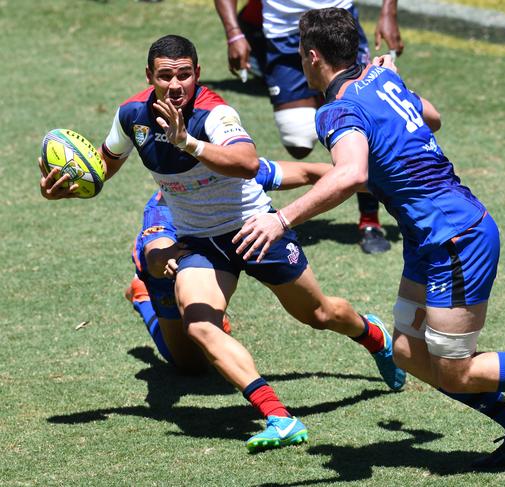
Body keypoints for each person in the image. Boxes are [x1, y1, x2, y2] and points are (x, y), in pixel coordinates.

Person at [232, 8, 505, 467]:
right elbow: (433, 119)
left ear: (313, 56)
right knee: (406, 351)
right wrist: (395, 85)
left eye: (301, 54)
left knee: (455, 370)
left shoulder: (336, 110)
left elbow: (351, 174)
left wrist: (280, 221)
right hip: (429, 239)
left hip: (455, 239)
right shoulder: (381, 80)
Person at [39, 34, 405, 453]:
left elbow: (247, 162)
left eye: (183, 75)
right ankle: (278, 417)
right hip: (198, 241)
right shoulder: (132, 117)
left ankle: (372, 335)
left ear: (197, 73)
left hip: (255, 230)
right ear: (149, 77)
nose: (175, 85)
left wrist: (187, 142)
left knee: (320, 314)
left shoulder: (215, 113)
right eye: (165, 76)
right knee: (199, 324)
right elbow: (103, 164)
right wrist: (71, 186)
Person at [214, 0, 403, 254]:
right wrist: (234, 33)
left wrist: (389, 12)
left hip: (338, 24)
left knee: (365, 125)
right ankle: (338, 174)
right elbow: (433, 119)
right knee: (298, 141)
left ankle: (369, 219)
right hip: (283, 32)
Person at [126, 157, 332, 373]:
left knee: (210, 336)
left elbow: (311, 172)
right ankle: (141, 295)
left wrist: (362, 180)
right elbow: (155, 257)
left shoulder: (229, 175)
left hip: (212, 258)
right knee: (192, 366)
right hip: (164, 274)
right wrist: (168, 260)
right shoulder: (160, 209)